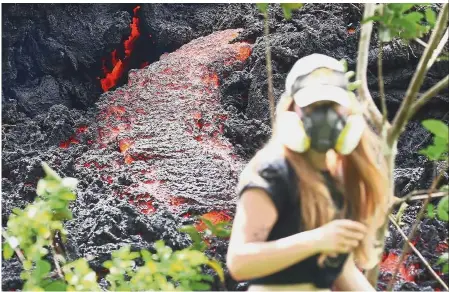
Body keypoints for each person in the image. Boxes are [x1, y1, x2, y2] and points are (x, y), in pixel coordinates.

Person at [226, 54, 390, 291]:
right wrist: (317, 240)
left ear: (348, 112)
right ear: (292, 111)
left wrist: (325, 241)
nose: (325, 117)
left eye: (333, 106)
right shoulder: (272, 173)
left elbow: (341, 272)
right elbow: (240, 263)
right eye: (313, 107)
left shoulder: (338, 179)